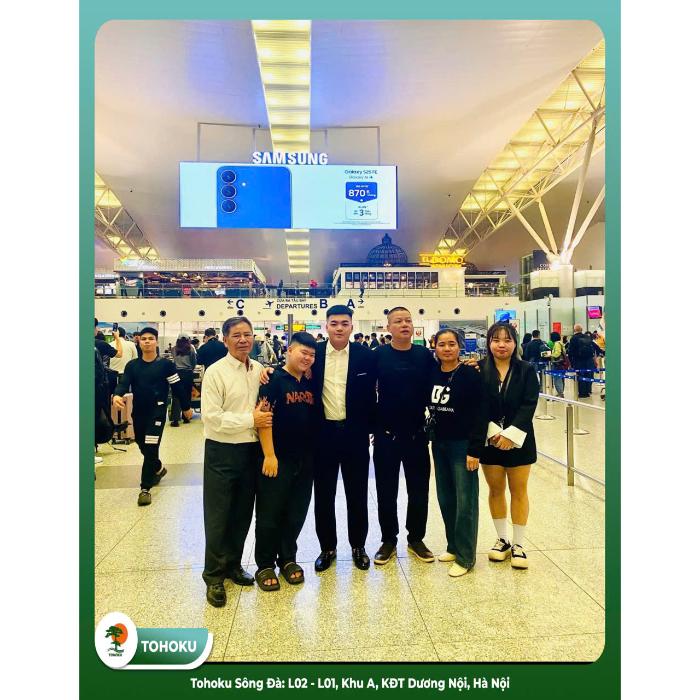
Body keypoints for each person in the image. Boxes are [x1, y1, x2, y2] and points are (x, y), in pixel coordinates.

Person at [200, 316, 274, 608]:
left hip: (251, 451)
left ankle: (232, 564)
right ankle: (213, 576)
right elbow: (211, 418)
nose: (243, 340)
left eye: (247, 334)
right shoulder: (215, 372)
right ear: (225, 340)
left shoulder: (257, 369)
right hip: (221, 451)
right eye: (236, 335)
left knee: (242, 512)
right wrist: (250, 420)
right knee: (218, 515)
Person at [311, 306, 377, 573]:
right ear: (326, 326)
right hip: (322, 434)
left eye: (344, 323)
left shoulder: (365, 355)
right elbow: (290, 372)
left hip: (355, 434)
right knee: (324, 494)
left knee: (357, 493)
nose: (339, 328)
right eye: (334, 323)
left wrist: (370, 428)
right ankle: (327, 547)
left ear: (351, 326)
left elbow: (375, 392)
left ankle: (358, 546)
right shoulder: (314, 354)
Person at [254, 332, 318, 591]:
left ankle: (288, 558)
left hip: (306, 459)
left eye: (312, 355)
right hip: (278, 460)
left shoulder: (310, 380)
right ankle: (265, 564)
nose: (308, 358)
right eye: (303, 352)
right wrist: (269, 455)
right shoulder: (273, 380)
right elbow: (263, 418)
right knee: (270, 513)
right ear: (289, 351)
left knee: (296, 513)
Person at [373, 307, 436, 565]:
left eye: (408, 320)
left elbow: (442, 380)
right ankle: (388, 539)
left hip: (416, 435)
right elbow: (363, 388)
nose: (404, 324)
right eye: (398, 321)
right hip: (386, 436)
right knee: (386, 491)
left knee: (419, 490)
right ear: (388, 327)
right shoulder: (378, 355)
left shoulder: (424, 355)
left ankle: (416, 538)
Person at [479, 323, 539, 569]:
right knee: (495, 490)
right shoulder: (479, 369)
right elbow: (476, 404)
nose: (501, 345)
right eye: (496, 340)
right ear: (489, 343)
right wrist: (494, 433)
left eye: (507, 340)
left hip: (520, 439)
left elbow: (529, 404)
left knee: (519, 490)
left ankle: (519, 544)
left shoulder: (526, 370)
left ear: (515, 343)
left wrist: (510, 435)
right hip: (489, 440)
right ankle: (502, 539)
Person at [427, 329, 487, 577]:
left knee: (465, 501)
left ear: (459, 347)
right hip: (439, 443)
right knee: (446, 497)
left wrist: (475, 449)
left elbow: (481, 413)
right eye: (442, 344)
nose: (447, 349)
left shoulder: (470, 374)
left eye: (452, 344)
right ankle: (453, 545)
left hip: (463, 445)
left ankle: (466, 556)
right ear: (435, 347)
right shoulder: (432, 372)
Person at [112, 327, 193, 506]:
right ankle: (157, 467)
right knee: (142, 444)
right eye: (144, 339)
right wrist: (117, 395)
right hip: (139, 413)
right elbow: (124, 383)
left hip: (157, 412)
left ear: (156, 341)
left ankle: (145, 488)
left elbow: (177, 387)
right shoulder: (132, 366)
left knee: (150, 447)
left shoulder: (166, 365)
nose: (147, 341)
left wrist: (186, 407)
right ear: (139, 342)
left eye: (151, 338)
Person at [170, 334, 198, 427]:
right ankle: (186, 417)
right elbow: (194, 362)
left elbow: (173, 360)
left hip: (176, 374)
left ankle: (175, 420)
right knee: (187, 395)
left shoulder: (173, 349)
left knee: (176, 396)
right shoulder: (191, 349)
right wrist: (191, 369)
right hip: (187, 374)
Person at [567, 324, 597, 398]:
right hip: (589, 360)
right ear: (582, 329)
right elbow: (593, 348)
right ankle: (588, 391)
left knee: (580, 376)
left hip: (578, 361)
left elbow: (570, 351)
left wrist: (571, 362)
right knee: (588, 375)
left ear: (574, 330)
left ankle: (582, 393)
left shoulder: (573, 338)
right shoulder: (587, 337)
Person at [549, 331, 567, 398]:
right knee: (561, 378)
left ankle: (560, 393)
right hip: (562, 364)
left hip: (557, 363)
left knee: (557, 379)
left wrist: (550, 355)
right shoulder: (561, 343)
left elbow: (557, 353)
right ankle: (561, 392)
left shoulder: (556, 344)